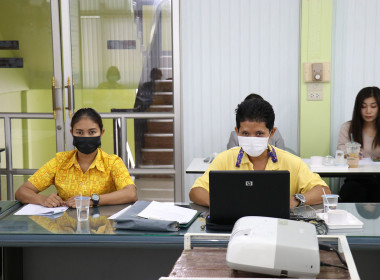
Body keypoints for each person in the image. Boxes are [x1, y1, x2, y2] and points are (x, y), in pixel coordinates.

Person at [189, 98, 330, 208]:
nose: (251, 139)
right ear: (236, 131)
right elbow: (196, 191)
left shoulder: (291, 162)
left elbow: (324, 191)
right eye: (245, 133)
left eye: (259, 133)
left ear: (272, 132)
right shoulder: (224, 159)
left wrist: (295, 200)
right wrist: (223, 204)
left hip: (277, 228)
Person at [15, 108, 137, 208]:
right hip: (66, 228)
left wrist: (92, 200)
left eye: (92, 132)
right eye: (79, 132)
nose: (85, 137)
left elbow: (131, 193)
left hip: (103, 227)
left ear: (102, 133)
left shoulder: (112, 162)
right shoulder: (60, 161)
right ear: (71, 132)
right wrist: (42, 199)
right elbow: (22, 192)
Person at [337, 86, 380, 202]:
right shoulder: (348, 128)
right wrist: (350, 154)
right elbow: (340, 152)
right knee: (352, 192)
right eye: (363, 107)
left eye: (373, 106)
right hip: (356, 178)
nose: (368, 111)